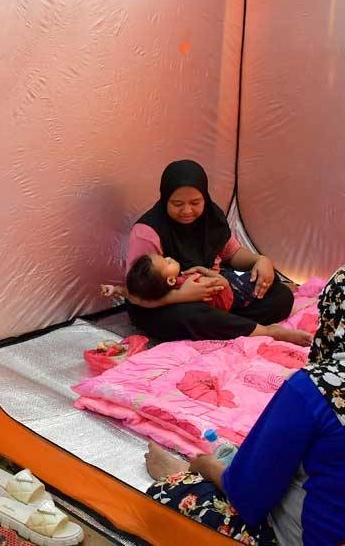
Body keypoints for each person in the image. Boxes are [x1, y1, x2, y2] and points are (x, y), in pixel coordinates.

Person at [143, 267, 345, 545]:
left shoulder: (313, 389)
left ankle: (177, 474)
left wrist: (204, 466)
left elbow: (249, 496)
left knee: (173, 493)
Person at [124, 160, 310, 346]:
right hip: (163, 304)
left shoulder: (211, 217)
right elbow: (134, 294)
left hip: (213, 294)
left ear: (205, 197)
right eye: (177, 204)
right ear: (165, 199)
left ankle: (223, 323)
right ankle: (266, 331)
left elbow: (232, 253)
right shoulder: (147, 232)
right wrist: (182, 295)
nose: (187, 211)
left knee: (281, 297)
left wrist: (260, 260)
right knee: (191, 315)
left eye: (195, 202)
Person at [122, 254, 255, 312]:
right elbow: (223, 283)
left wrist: (117, 290)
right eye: (167, 262)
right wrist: (201, 269)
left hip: (228, 291)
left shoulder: (166, 289)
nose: (169, 258)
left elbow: (135, 298)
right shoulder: (193, 283)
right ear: (171, 280)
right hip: (236, 293)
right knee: (252, 278)